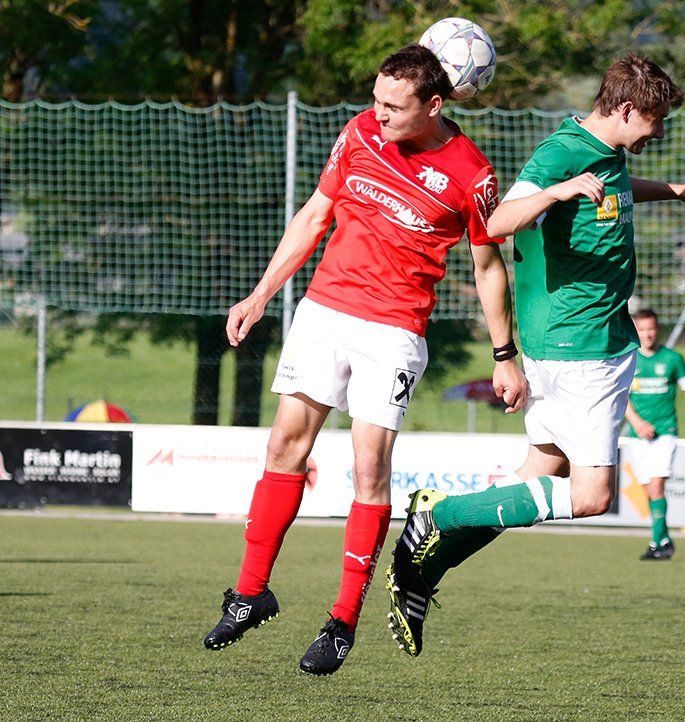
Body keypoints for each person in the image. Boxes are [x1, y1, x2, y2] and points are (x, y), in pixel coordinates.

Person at [385, 53, 685, 658]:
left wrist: (677, 192)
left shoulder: (605, 152)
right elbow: (498, 221)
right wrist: (557, 190)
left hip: (580, 342)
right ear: (625, 109)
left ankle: (422, 573)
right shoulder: (562, 155)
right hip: (581, 348)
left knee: (540, 476)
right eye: (654, 120)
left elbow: (613, 191)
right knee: (592, 496)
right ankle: (440, 513)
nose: (659, 132)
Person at [202, 44, 526, 675]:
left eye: (392, 107)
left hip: (394, 331)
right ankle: (249, 593)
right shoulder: (358, 132)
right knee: (283, 447)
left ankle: (342, 620)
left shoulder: (472, 174)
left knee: (369, 469)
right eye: (375, 100)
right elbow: (314, 216)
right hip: (324, 311)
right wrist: (260, 295)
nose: (378, 114)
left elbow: (488, 267)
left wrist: (503, 355)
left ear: (434, 105)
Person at [624, 308, 685, 560]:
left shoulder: (672, 359)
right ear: (636, 331)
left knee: (657, 485)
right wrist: (637, 423)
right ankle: (664, 539)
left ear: (658, 330)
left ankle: (657, 543)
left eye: (651, 329)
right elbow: (620, 396)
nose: (647, 334)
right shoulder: (628, 359)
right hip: (637, 436)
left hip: (665, 432)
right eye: (642, 330)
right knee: (650, 490)